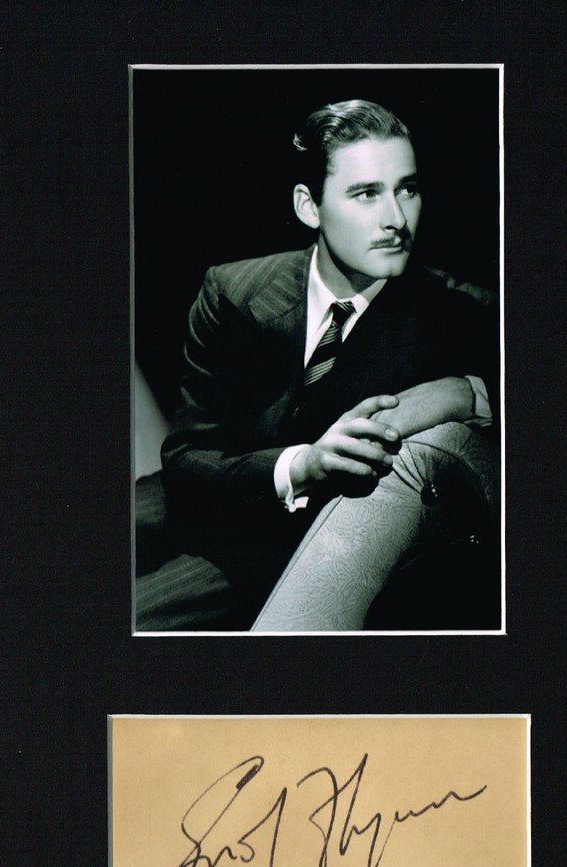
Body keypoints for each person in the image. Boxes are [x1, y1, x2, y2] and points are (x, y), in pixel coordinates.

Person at [135, 99, 497, 631]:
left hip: (277, 555)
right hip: (190, 500)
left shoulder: (460, 313)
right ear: (309, 206)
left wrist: (467, 391)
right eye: (366, 193)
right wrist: (302, 464)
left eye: (407, 189)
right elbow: (188, 457)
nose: (396, 219)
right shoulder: (232, 290)